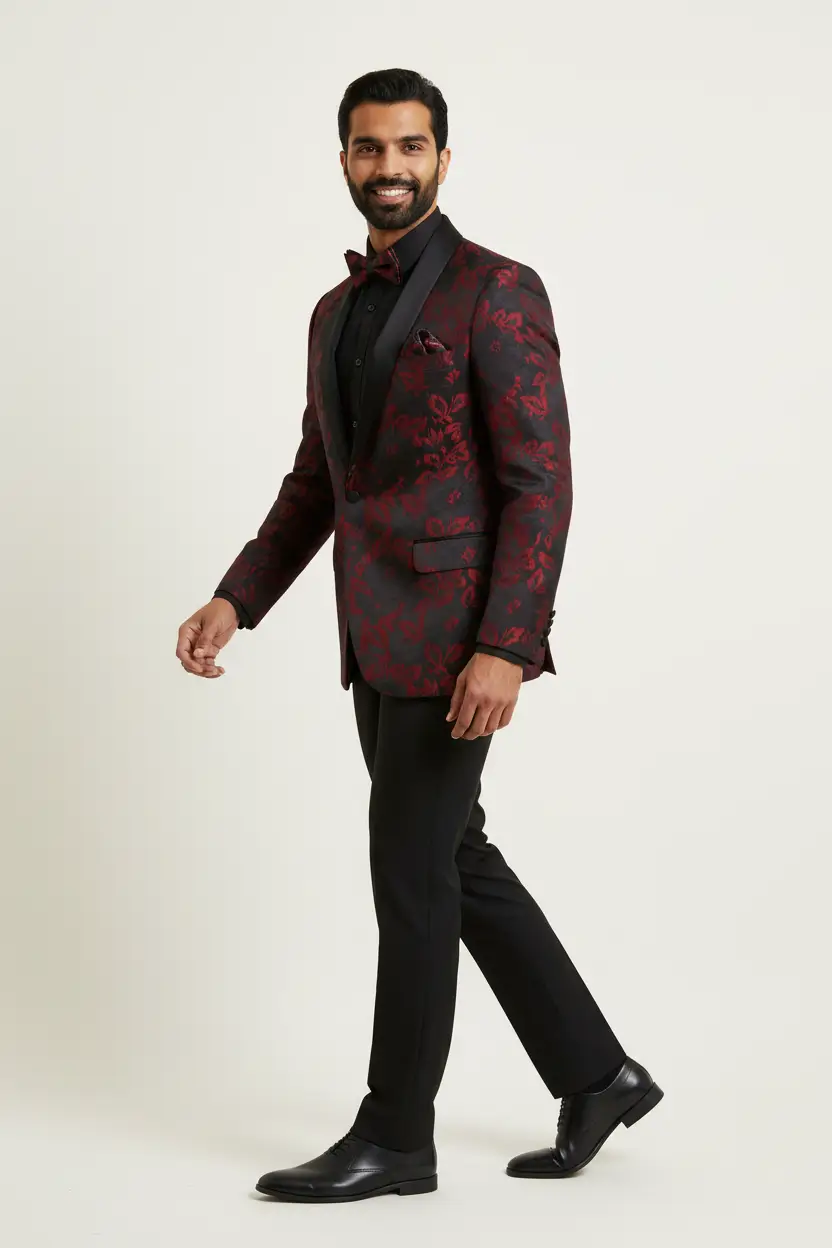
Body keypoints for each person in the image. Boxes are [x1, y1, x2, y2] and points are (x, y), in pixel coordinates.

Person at [176, 67, 662, 1203]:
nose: (388, 167)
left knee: (410, 871)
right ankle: (600, 1075)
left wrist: (507, 645)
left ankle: (397, 1135)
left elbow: (539, 484)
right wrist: (236, 598)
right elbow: (319, 482)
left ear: (444, 157)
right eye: (368, 147)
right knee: (449, 857)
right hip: (373, 634)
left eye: (408, 147)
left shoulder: (498, 291)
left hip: (458, 645)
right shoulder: (333, 311)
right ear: (344, 159)